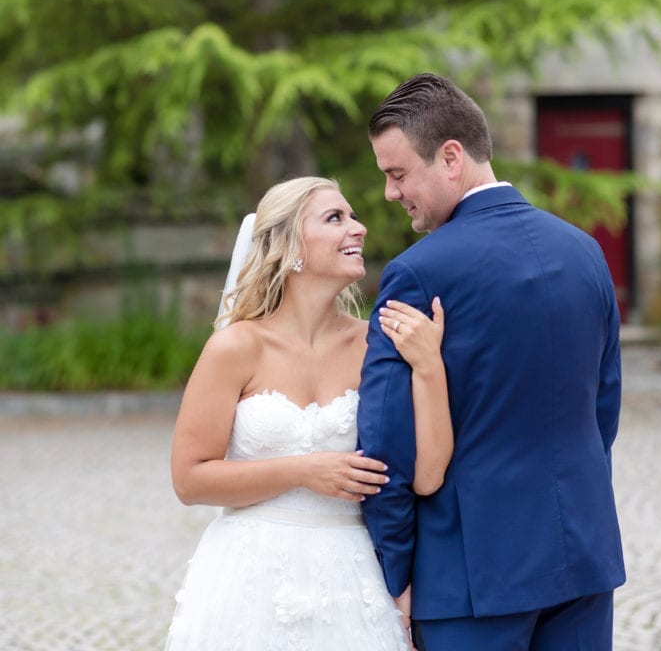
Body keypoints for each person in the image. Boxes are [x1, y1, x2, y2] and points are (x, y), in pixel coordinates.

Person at [357, 73, 626, 651]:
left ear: (450, 157)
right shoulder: (586, 252)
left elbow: (386, 445)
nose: (389, 193)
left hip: (470, 576)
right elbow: (602, 412)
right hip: (581, 557)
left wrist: (394, 573)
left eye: (398, 174)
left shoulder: (417, 274)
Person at [163, 175, 453, 651]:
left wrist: (429, 367)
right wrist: (302, 471)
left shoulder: (376, 344)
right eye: (335, 218)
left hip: (352, 577)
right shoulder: (236, 347)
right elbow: (189, 480)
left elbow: (427, 473)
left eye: (353, 216)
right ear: (290, 245)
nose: (358, 228)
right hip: (248, 581)